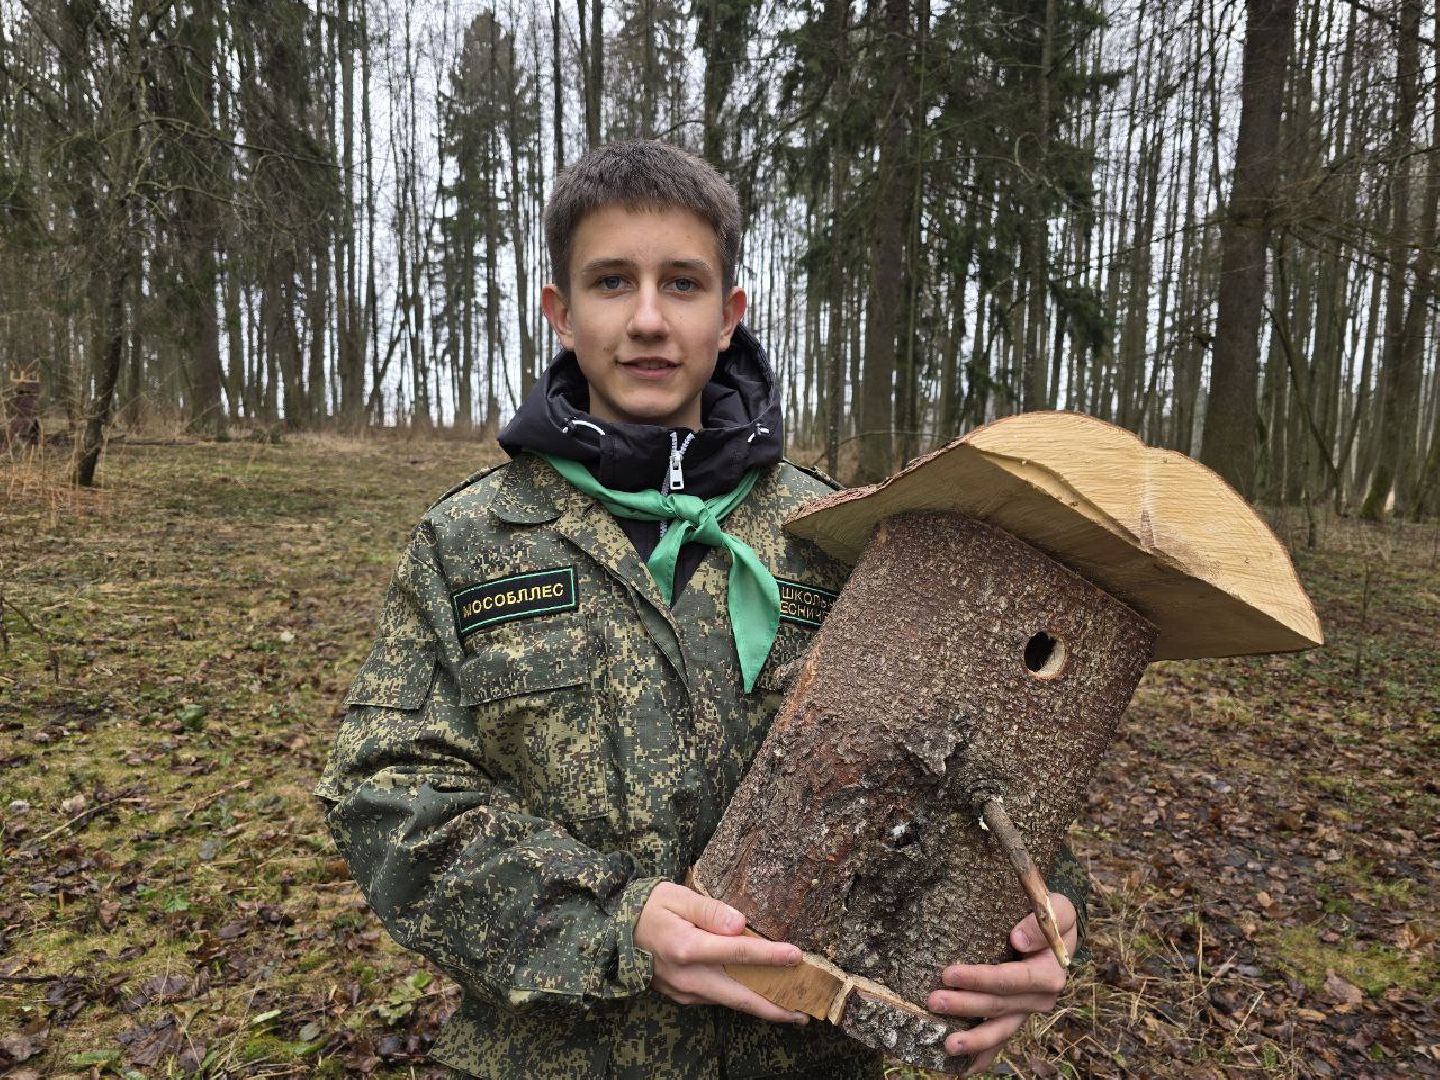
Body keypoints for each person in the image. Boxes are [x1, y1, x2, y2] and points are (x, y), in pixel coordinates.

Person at [316, 139, 1085, 1079]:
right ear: (561, 313)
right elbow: (388, 792)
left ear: (728, 317)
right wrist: (613, 920)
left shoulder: (841, 538)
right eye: (611, 282)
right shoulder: (471, 541)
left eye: (682, 284)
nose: (647, 319)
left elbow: (980, 768)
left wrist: (1037, 922)